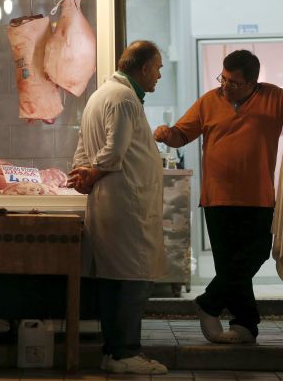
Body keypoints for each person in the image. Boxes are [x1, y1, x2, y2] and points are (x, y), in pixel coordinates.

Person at [153, 49, 283, 345]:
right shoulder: (210, 101)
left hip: (258, 197)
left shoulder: (275, 98)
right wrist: (168, 134)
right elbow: (182, 134)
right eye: (224, 79)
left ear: (253, 81)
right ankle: (245, 326)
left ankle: (208, 303)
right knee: (229, 267)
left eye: (233, 82)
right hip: (217, 198)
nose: (225, 86)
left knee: (255, 254)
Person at [68, 40, 168, 375]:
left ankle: (113, 352)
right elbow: (113, 151)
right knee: (132, 281)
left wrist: (83, 174)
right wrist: (93, 173)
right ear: (142, 68)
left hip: (112, 203)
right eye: (157, 68)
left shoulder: (99, 95)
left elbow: (84, 147)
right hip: (128, 205)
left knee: (113, 280)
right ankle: (125, 353)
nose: (158, 75)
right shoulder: (124, 99)